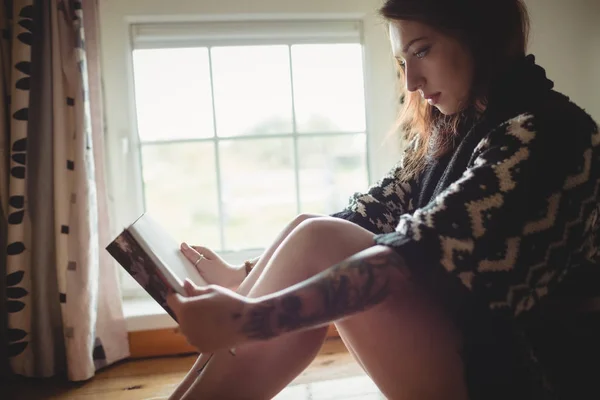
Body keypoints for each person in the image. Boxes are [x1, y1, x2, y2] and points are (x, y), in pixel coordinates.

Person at [166, 0, 600, 399]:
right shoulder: (463, 128)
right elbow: (366, 215)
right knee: (311, 227)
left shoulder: (550, 133)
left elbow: (409, 258)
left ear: (480, 34)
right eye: (401, 61)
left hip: (530, 381)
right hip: (474, 350)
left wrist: (252, 318)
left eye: (422, 50)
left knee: (322, 240)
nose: (411, 81)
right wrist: (247, 277)